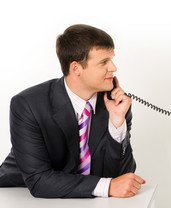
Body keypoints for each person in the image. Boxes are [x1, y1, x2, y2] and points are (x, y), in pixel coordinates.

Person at [0, 24, 145, 198]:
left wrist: (117, 123)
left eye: (111, 59)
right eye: (103, 62)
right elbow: (38, 180)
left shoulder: (115, 104)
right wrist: (107, 186)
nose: (113, 67)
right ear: (76, 68)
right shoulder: (28, 105)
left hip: (86, 201)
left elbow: (122, 178)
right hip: (19, 196)